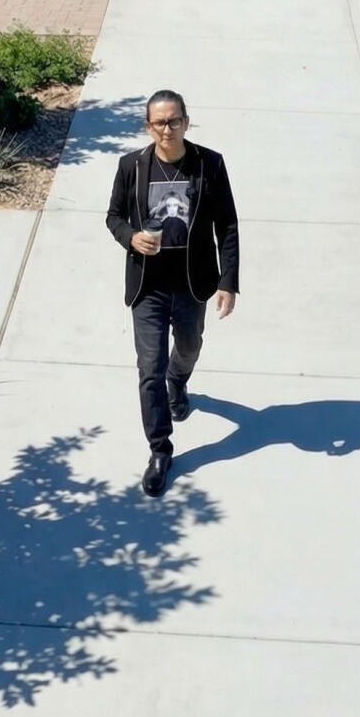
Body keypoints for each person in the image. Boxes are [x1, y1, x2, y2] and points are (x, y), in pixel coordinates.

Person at [106, 89, 240, 496]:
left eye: (174, 120)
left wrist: (228, 280)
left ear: (186, 120)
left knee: (189, 347)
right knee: (149, 368)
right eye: (159, 122)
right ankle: (160, 449)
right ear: (148, 126)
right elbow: (113, 216)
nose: (167, 129)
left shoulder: (209, 164)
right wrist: (131, 238)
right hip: (148, 286)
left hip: (191, 284)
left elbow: (227, 225)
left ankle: (178, 382)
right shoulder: (131, 166)